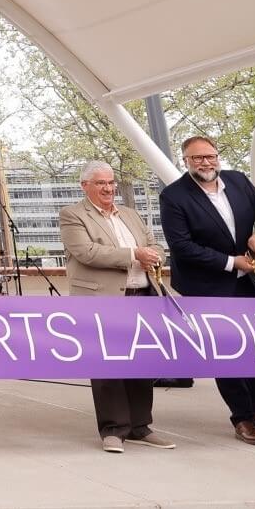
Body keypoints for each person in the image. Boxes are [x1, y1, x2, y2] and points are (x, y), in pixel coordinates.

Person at [159, 134, 255, 447]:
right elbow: (181, 246)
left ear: (217, 157)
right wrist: (231, 262)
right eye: (197, 158)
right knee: (226, 352)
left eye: (210, 156)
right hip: (205, 286)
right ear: (186, 161)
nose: (205, 162)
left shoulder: (238, 181)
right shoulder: (174, 195)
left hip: (246, 282)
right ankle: (242, 418)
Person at [59, 161, 176, 454]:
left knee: (142, 364)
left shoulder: (131, 214)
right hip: (102, 302)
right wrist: (135, 254)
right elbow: (87, 252)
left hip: (143, 297)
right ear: (85, 186)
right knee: (107, 366)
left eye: (111, 182)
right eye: (101, 183)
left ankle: (140, 427)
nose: (108, 188)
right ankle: (113, 429)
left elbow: (155, 246)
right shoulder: (73, 215)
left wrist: (154, 255)